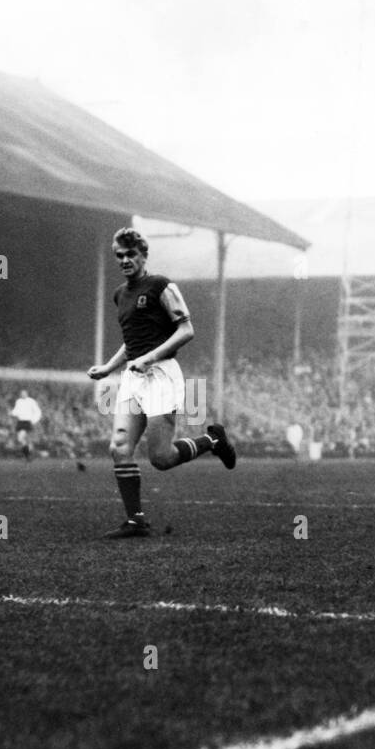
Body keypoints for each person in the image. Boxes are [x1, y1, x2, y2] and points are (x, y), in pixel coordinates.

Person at [86, 227, 236, 538]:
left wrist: (150, 358)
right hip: (133, 378)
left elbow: (186, 331)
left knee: (161, 458)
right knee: (119, 447)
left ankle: (213, 441)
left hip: (162, 375)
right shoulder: (120, 294)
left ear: (143, 255)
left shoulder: (161, 286)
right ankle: (136, 520)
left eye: (131, 254)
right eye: (119, 256)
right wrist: (109, 367)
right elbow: (133, 341)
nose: (125, 260)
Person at [10, 389, 42, 461]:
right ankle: (28, 455)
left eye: (24, 393)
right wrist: (11, 413)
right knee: (22, 439)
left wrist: (33, 420)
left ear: (27, 394)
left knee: (22, 438)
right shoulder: (18, 401)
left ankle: (28, 455)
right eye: (21, 393)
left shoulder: (31, 401)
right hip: (20, 422)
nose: (23, 395)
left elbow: (37, 411)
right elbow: (16, 411)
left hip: (27, 422)